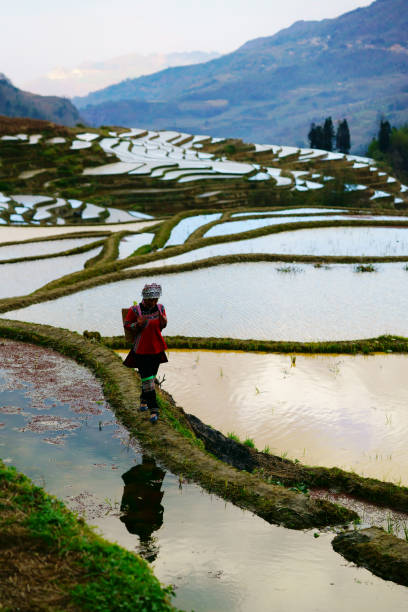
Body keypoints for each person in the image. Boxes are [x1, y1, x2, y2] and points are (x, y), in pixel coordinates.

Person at [123, 282, 167, 423]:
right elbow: (127, 324)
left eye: (155, 300)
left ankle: (143, 400)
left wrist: (163, 320)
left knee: (150, 378)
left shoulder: (160, 308)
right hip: (141, 349)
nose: (153, 302)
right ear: (144, 298)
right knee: (148, 380)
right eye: (150, 300)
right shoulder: (135, 311)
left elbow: (162, 326)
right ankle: (154, 410)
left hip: (156, 348)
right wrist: (138, 324)